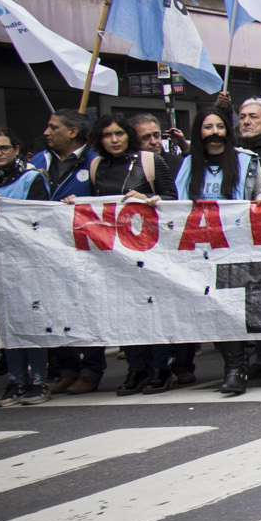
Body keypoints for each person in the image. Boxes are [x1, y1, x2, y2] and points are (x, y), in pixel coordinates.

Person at [79, 115, 180, 395]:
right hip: (114, 252)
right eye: (107, 135)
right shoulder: (96, 166)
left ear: (129, 136)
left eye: (119, 134)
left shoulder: (150, 162)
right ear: (99, 139)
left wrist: (149, 200)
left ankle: (160, 368)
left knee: (151, 308)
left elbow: (173, 199)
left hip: (149, 248)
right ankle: (136, 369)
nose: (114, 140)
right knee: (124, 310)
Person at [174, 110, 261, 396]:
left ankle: (235, 369)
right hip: (197, 248)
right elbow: (174, 203)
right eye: (207, 127)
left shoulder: (247, 162)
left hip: (234, 247)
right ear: (198, 132)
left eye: (219, 126)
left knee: (230, 307)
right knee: (210, 307)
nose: (214, 131)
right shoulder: (187, 165)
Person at [0, 127, 49, 406]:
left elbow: (39, 216)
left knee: (32, 319)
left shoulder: (31, 178)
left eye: (4, 148)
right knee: (3, 321)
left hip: (24, 261)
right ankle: (16, 379)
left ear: (16, 150)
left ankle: (39, 379)